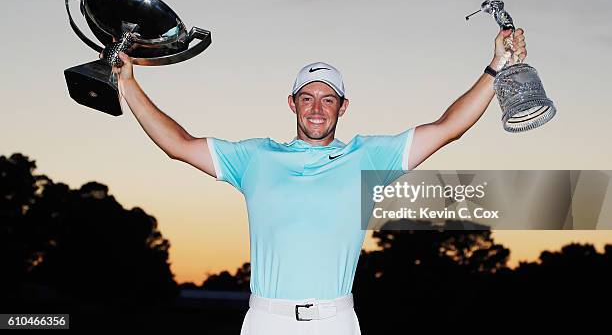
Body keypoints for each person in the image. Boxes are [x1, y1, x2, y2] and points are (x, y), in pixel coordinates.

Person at [106, 28, 526, 334]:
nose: (316, 109)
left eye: (328, 99)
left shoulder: (368, 157)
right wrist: (128, 82)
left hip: (336, 321)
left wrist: (497, 66)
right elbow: (178, 144)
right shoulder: (255, 158)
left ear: (342, 107)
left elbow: (449, 126)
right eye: (307, 97)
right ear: (293, 103)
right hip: (265, 321)